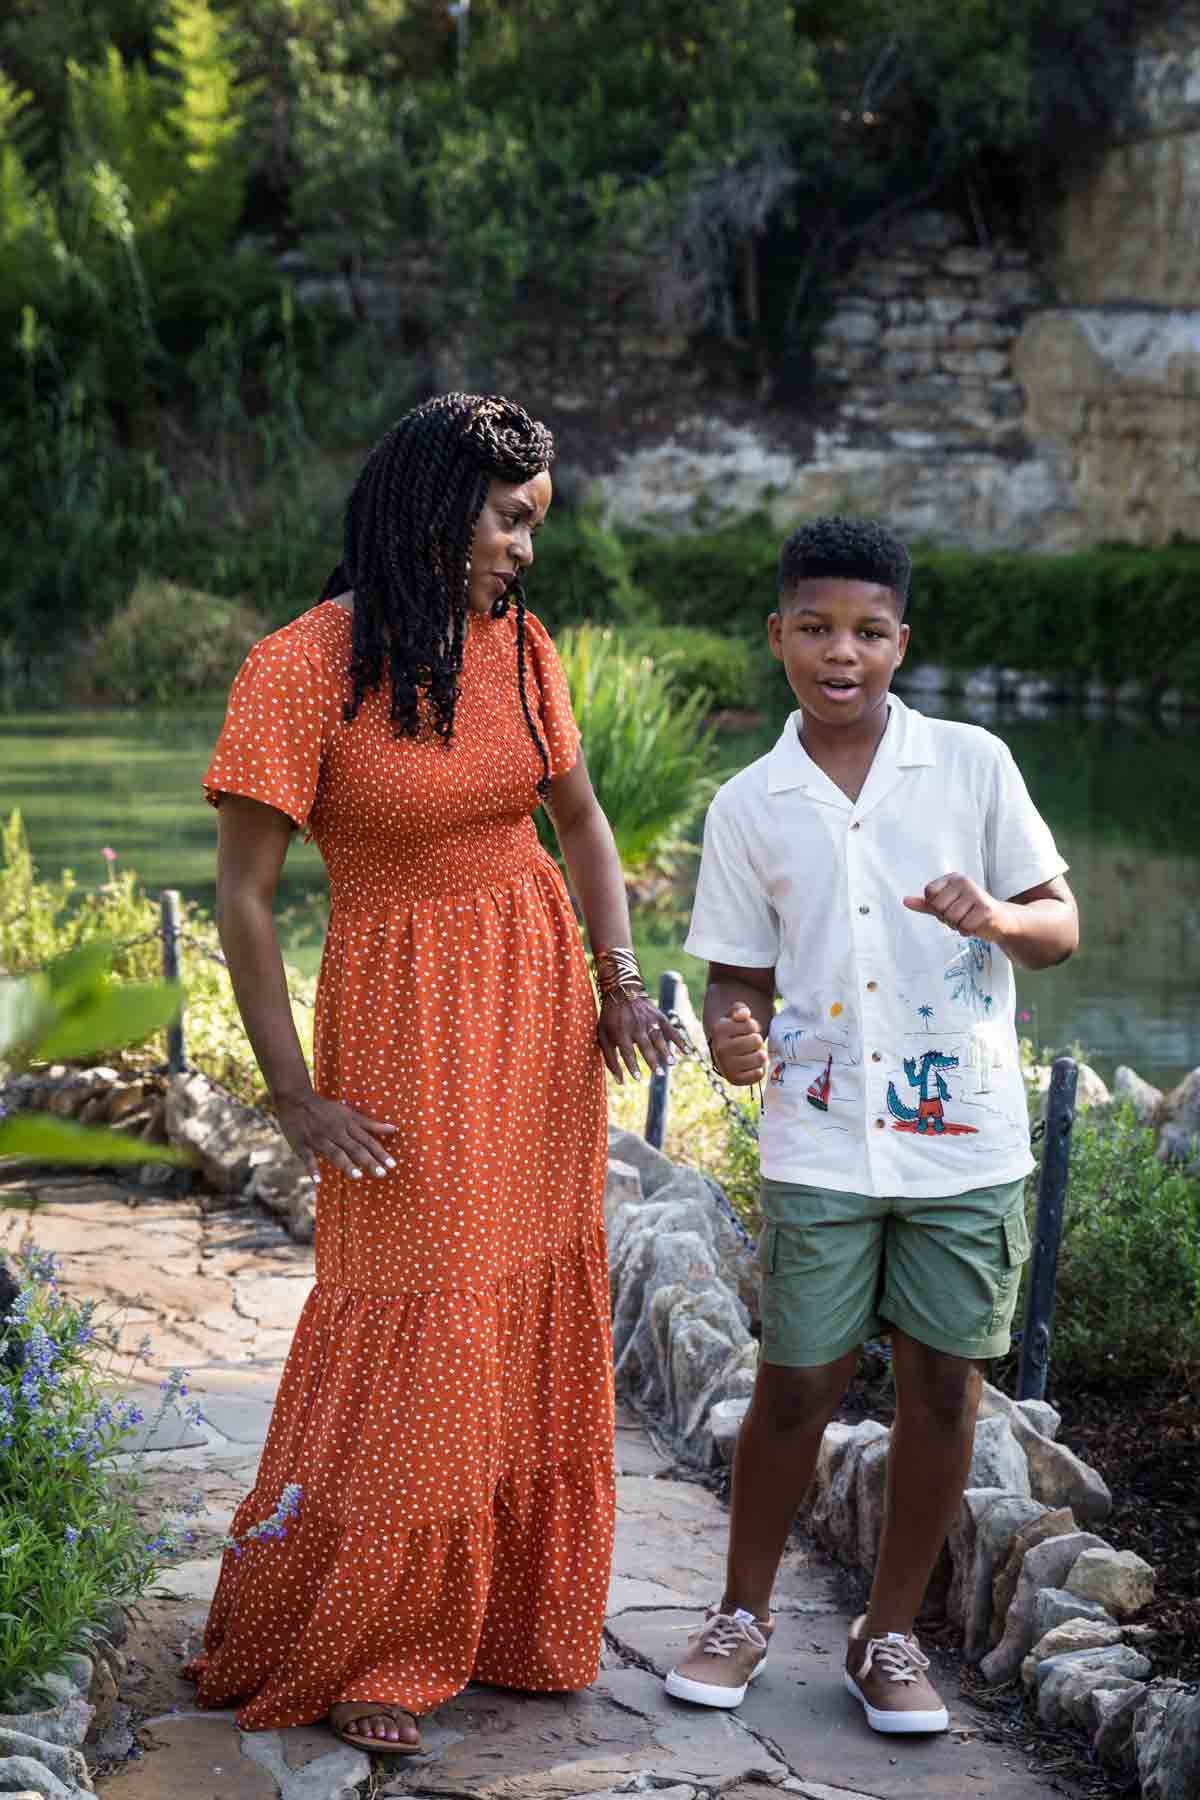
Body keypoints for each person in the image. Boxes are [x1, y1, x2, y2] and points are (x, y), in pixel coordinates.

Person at [186, 392, 681, 1753]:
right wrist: (289, 1092)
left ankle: (512, 1617)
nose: (526, 549)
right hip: (403, 1017)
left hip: (536, 1016)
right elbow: (242, 897)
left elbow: (579, 823)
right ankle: (372, 1642)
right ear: (432, 506)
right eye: (509, 520)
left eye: (537, 524)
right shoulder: (301, 664)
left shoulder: (520, 648)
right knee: (422, 1313)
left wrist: (622, 985)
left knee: (524, 1294)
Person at [664, 516, 1078, 1734]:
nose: (841, 653)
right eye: (816, 628)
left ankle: (886, 1634)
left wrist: (997, 916)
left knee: (943, 1390)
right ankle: (741, 1612)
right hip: (820, 1138)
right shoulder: (752, 804)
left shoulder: (972, 765)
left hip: (965, 1142)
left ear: (903, 639)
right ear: (778, 633)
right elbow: (736, 977)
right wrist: (732, 1032)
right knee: (796, 1384)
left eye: (869, 631)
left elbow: (1059, 929)